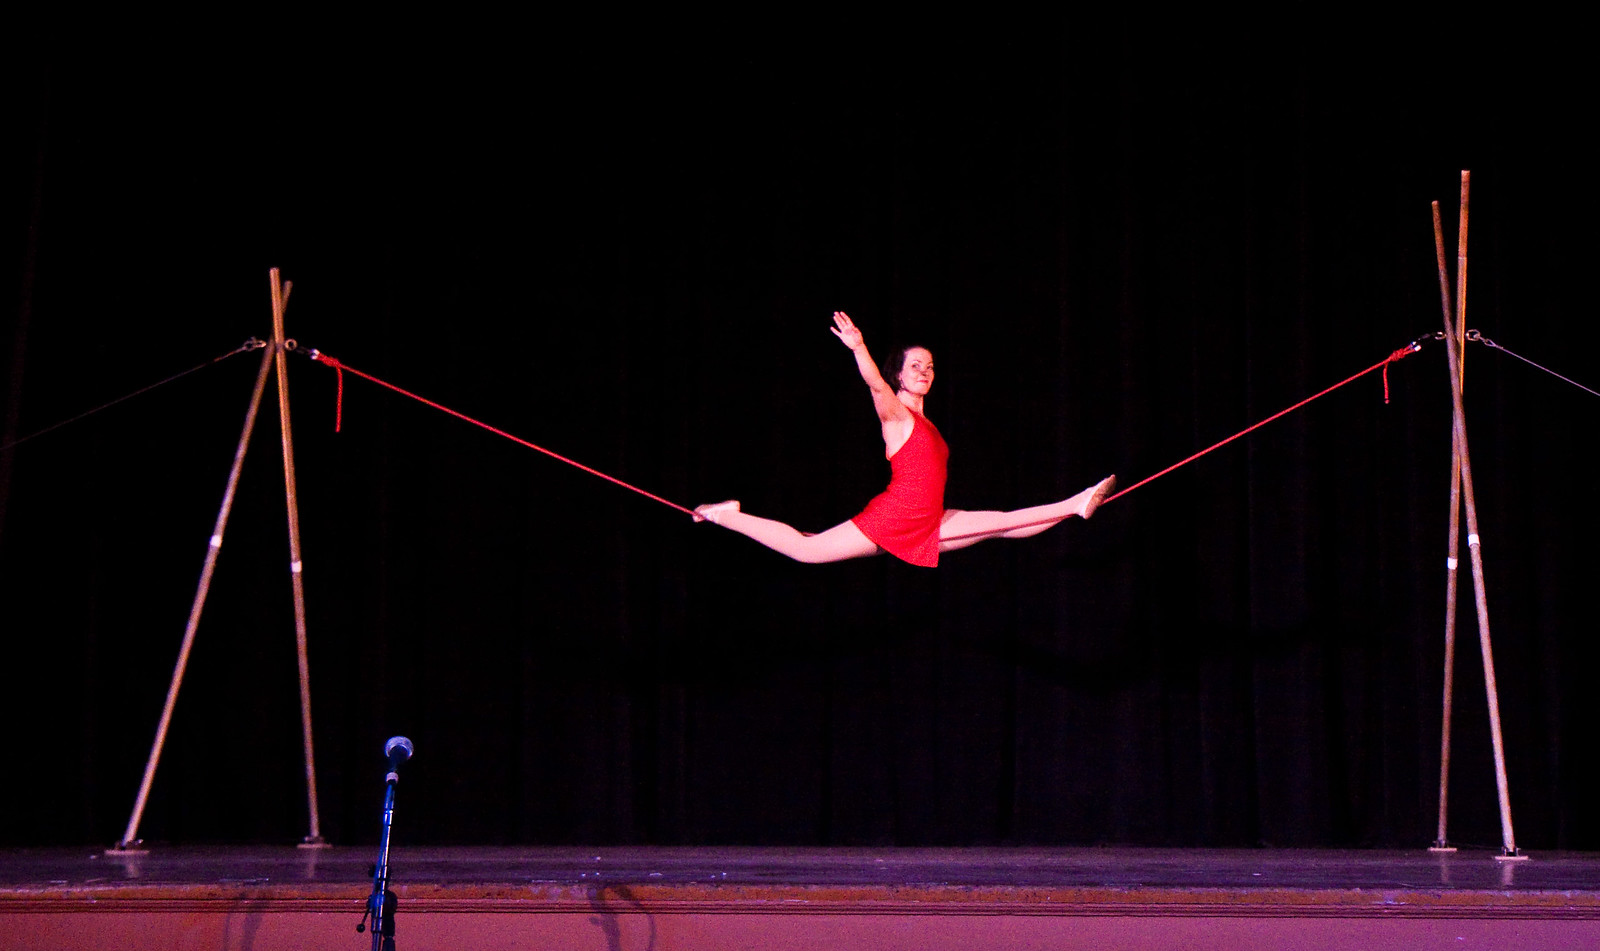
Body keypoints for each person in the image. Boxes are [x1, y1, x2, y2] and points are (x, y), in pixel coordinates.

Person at [694, 311, 1115, 566]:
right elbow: (876, 386)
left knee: (1002, 524)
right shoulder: (896, 413)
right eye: (916, 366)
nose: (924, 372)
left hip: (929, 517)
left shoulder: (927, 422)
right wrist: (859, 348)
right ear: (899, 373)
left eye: (930, 366)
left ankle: (1076, 504)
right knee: (808, 551)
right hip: (898, 517)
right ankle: (725, 513)